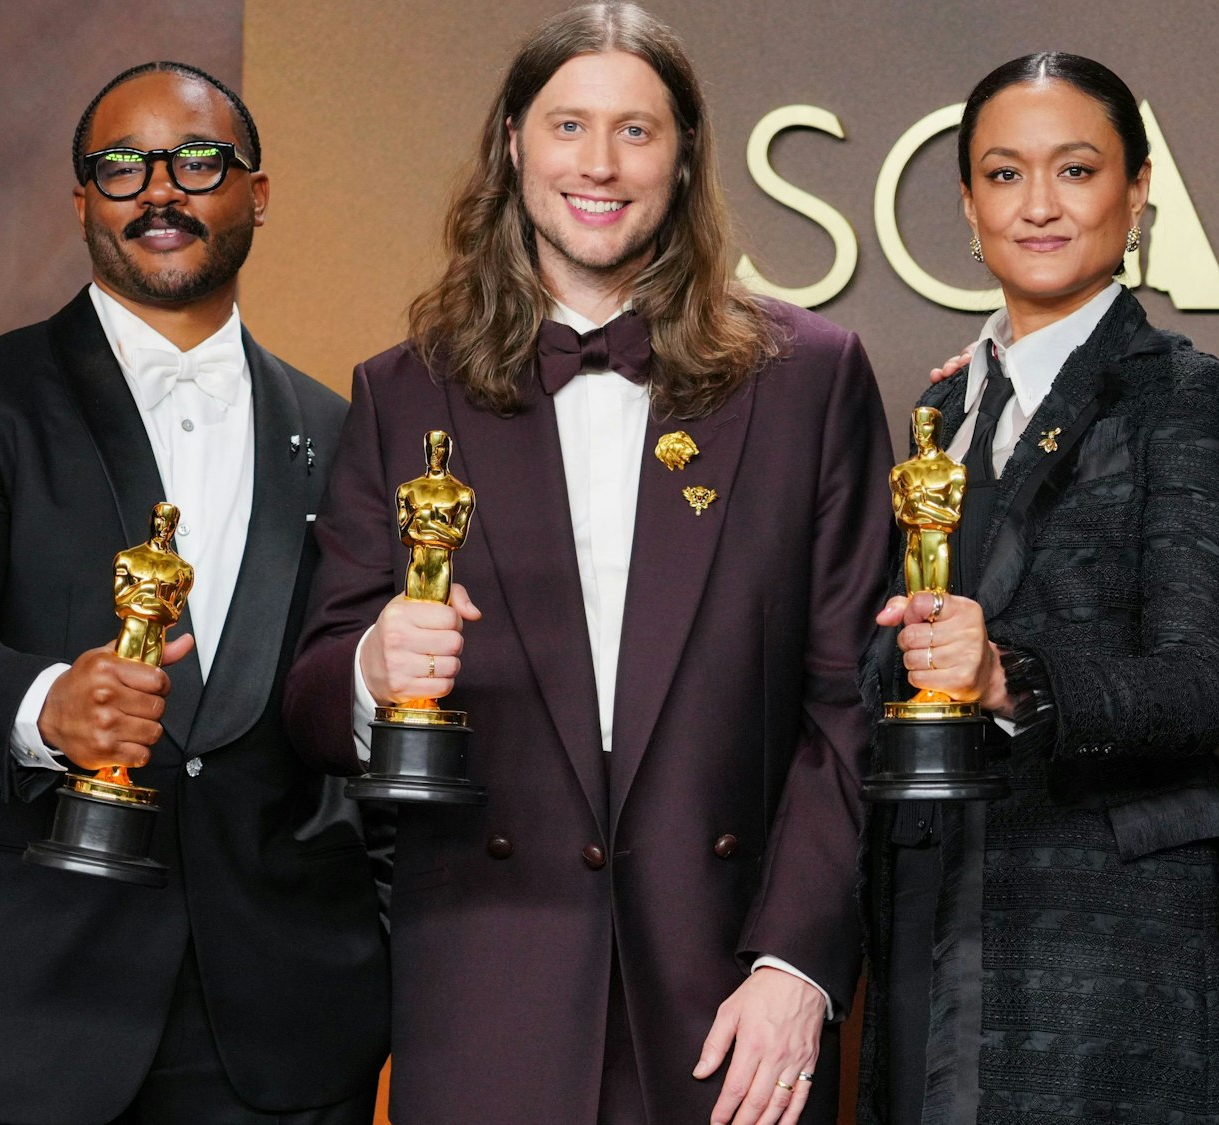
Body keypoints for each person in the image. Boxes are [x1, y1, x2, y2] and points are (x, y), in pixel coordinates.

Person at [280, 4, 893, 1124]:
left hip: (733, 1002)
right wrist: (371, 667)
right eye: (568, 125)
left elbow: (851, 702)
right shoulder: (404, 390)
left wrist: (797, 964)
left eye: (635, 131)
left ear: (685, 157)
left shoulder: (809, 377)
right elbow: (313, 699)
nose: (598, 164)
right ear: (513, 143)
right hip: (485, 988)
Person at [0, 62, 388, 1124]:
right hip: (23, 1014)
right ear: (81, 202)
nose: (158, 189)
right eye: (121, 166)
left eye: (197, 161)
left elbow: (337, 688)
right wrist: (45, 704)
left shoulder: (342, 432)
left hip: (285, 1027)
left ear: (257, 194)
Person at [858, 52, 1219, 1125]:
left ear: (1136, 191)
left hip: (1110, 941)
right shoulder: (942, 414)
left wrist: (1004, 676)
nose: (1037, 205)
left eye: (1075, 170)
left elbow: (1196, 685)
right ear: (966, 202)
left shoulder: (1185, 394)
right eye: (1004, 174)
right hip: (935, 906)